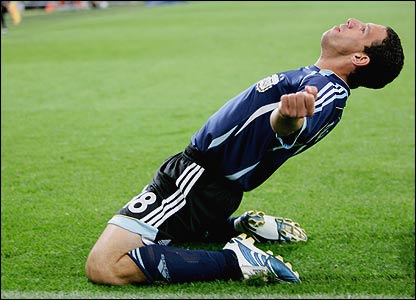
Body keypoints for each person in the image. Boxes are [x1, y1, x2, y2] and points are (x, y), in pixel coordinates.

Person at [85, 18, 404, 285]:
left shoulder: (326, 90)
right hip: (208, 187)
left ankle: (236, 260)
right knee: (166, 235)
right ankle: (236, 226)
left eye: (362, 30)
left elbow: (292, 127)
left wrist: (288, 117)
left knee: (105, 265)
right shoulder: (316, 78)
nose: (352, 22)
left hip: (193, 184)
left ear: (360, 59)